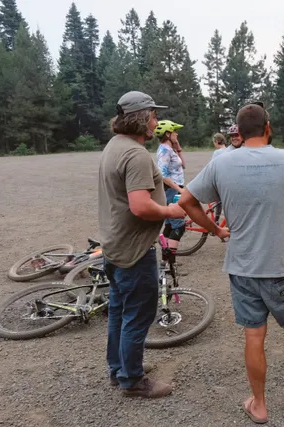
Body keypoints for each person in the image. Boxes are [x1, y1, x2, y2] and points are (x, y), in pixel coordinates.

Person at [178, 103, 284, 424]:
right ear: (268, 127)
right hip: (282, 265)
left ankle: (259, 404)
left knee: (254, 335)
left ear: (239, 133)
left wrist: (216, 229)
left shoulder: (222, 163)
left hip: (241, 266)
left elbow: (186, 201)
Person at [98, 91, 186, 398]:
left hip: (115, 246)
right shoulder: (135, 155)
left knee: (119, 313)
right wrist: (170, 211)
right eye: (153, 116)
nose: (156, 121)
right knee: (137, 315)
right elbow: (140, 206)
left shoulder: (114, 146)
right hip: (135, 250)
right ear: (140, 119)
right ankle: (133, 380)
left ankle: (119, 368)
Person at [155, 120, 186, 250]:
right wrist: (179, 189)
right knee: (179, 225)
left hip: (175, 189)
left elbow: (183, 166)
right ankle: (169, 262)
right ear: (168, 134)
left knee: (170, 225)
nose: (177, 134)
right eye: (175, 132)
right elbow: (162, 175)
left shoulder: (170, 149)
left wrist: (178, 148)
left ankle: (166, 262)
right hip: (171, 190)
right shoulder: (164, 151)